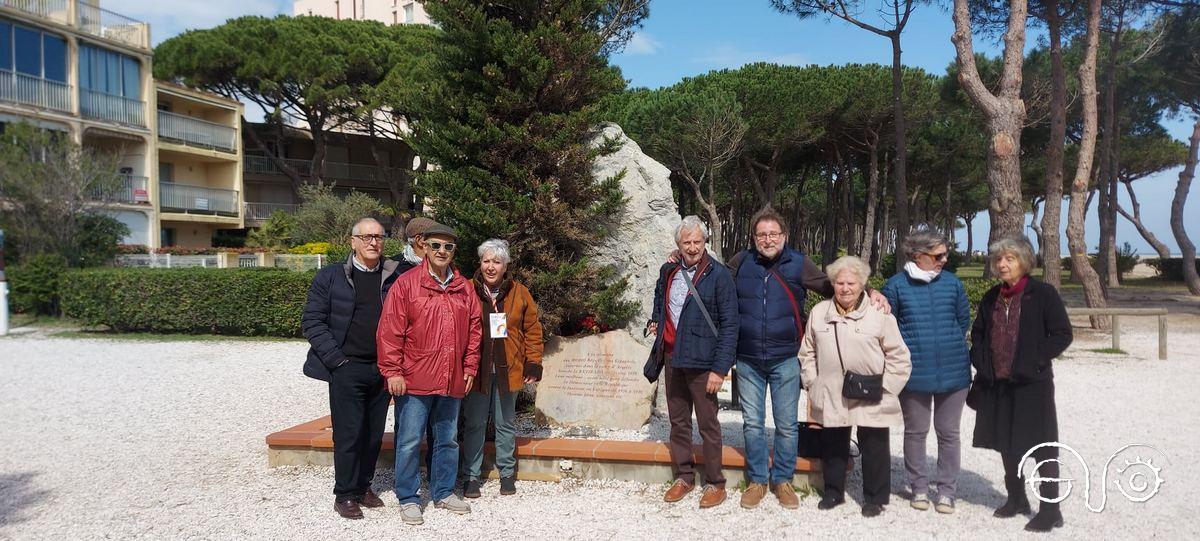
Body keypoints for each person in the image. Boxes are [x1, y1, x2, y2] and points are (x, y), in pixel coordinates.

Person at [727, 207, 890, 510]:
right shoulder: (740, 262)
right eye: (761, 234)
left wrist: (870, 290)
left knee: (787, 425)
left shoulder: (799, 264)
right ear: (753, 237)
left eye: (773, 234)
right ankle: (758, 480)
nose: (767, 239)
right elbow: (716, 283)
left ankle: (783, 480)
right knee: (752, 424)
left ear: (784, 236)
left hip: (786, 358)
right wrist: (676, 256)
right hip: (748, 358)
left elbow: (836, 285)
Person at [301, 218, 413, 519]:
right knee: (349, 433)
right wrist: (337, 361)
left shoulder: (394, 275)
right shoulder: (330, 277)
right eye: (366, 237)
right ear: (352, 242)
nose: (373, 242)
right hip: (346, 367)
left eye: (378, 237)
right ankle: (345, 493)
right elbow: (312, 321)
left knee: (373, 432)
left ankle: (364, 486)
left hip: (383, 368)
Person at [377, 223, 481, 525]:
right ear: (424, 246)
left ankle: (444, 491)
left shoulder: (464, 288)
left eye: (448, 247)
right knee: (409, 440)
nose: (442, 252)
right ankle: (408, 497)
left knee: (447, 439)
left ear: (454, 251)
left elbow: (475, 331)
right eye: (436, 245)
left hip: (452, 377)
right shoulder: (407, 284)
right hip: (415, 377)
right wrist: (392, 371)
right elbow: (390, 331)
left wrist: (470, 366)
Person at [970, 235, 1073, 533]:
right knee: (1006, 443)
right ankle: (1016, 498)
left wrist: (1034, 361)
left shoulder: (1043, 294)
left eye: (1009, 259)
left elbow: (1062, 334)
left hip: (1032, 385)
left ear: (1024, 261)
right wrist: (981, 362)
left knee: (1042, 446)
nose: (1002, 264)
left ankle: (1051, 510)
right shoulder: (992, 296)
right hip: (997, 384)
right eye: (998, 259)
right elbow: (978, 335)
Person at [799, 256, 911, 517]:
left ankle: (875, 497)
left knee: (874, 443)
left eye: (851, 282)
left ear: (862, 284)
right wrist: (813, 383)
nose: (845, 288)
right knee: (834, 442)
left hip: (872, 390)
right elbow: (807, 352)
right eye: (839, 283)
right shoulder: (819, 313)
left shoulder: (879, 315)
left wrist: (888, 388)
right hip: (832, 389)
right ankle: (833, 492)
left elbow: (899, 356)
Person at [647, 216, 739, 509]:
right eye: (686, 242)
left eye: (697, 241)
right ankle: (684, 477)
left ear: (705, 242)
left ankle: (715, 483)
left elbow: (730, 325)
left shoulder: (719, 275)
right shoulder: (669, 270)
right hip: (673, 357)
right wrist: (656, 322)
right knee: (678, 422)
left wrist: (719, 369)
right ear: (678, 245)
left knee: (709, 423)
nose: (692, 247)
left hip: (704, 361)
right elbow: (660, 300)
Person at [881, 227, 971, 514]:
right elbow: (887, 328)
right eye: (939, 255)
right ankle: (918, 487)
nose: (945, 259)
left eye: (945, 253)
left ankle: (947, 491)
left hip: (954, 372)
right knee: (916, 432)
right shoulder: (895, 286)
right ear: (919, 256)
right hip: (914, 373)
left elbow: (962, 321)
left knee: (949, 433)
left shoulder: (953, 284)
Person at [460, 239, 545, 498]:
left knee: (505, 423)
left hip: (509, 369)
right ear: (480, 263)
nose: (490, 266)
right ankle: (471, 476)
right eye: (486, 261)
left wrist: (534, 362)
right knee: (474, 423)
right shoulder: (466, 290)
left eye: (496, 262)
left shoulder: (520, 292)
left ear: (505, 265)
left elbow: (532, 329)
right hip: (477, 370)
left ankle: (507, 472)